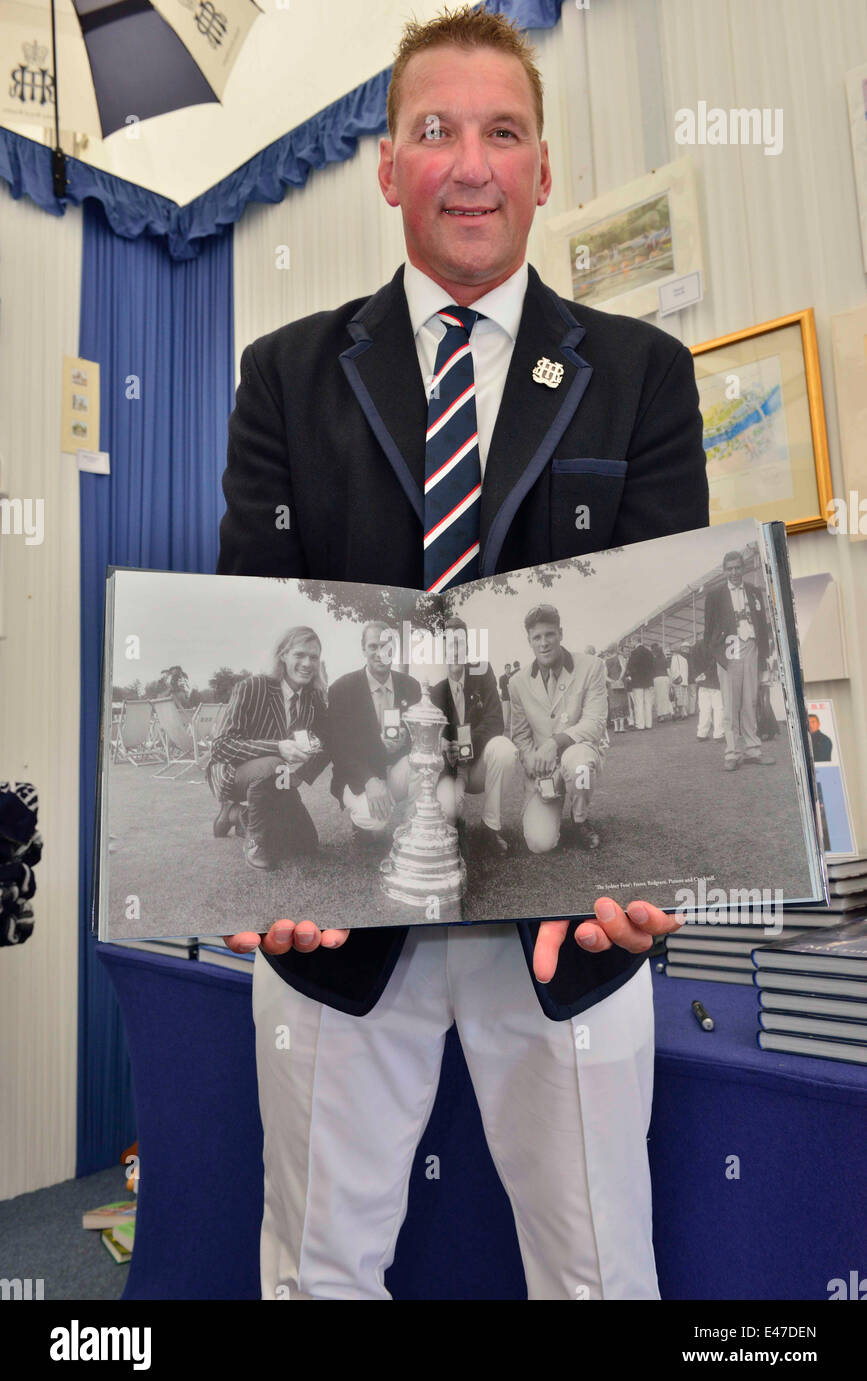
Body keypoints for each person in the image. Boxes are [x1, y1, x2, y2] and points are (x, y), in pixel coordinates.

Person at [217, 6, 707, 1301]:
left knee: (597, 1272)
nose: (470, 163)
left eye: (502, 131)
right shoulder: (282, 373)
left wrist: (650, 859)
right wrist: (254, 847)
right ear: (385, 166)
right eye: (433, 130)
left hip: (567, 908)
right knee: (317, 1271)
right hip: (342, 904)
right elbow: (255, 621)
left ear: (544, 168)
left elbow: (651, 619)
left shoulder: (643, 375)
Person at [206, 626, 330, 869]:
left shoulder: (312, 697)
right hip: (235, 773)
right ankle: (255, 841)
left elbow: (328, 741)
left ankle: (236, 815)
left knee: (305, 844)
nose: (307, 663)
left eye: (313, 657)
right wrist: (277, 747)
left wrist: (301, 775)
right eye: (300, 655)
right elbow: (220, 747)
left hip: (279, 777)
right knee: (273, 763)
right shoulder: (252, 687)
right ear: (283, 655)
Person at [509, 604, 608, 853]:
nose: (544, 643)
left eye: (549, 634)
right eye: (537, 637)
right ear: (529, 641)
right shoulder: (517, 682)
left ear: (560, 633)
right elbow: (520, 733)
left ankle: (580, 819)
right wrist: (531, 760)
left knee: (581, 765)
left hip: (576, 753)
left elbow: (594, 723)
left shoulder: (592, 666)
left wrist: (555, 742)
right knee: (539, 843)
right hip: (543, 771)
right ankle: (551, 811)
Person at [431, 617, 518, 854]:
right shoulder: (435, 690)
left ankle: (490, 828)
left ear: (467, 648)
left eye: (459, 643)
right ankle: (455, 823)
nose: (454, 650)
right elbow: (432, 733)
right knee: (448, 807)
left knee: (504, 749)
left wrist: (466, 744)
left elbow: (495, 721)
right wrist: (444, 744)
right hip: (453, 768)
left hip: (479, 762)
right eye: (448, 644)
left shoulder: (483, 672)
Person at [326, 621, 421, 836]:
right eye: (373, 646)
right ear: (363, 650)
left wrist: (407, 739)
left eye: (387, 646)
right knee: (375, 821)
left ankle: (411, 829)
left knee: (421, 763)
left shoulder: (411, 686)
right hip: (358, 775)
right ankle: (361, 821)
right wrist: (368, 780)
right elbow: (338, 748)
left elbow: (418, 738)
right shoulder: (342, 689)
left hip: (394, 769)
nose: (381, 653)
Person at [703, 550, 774, 771]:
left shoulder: (754, 591)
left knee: (750, 701)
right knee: (731, 703)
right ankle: (732, 752)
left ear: (743, 568)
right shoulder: (715, 595)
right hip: (729, 649)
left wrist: (764, 656)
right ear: (725, 571)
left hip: (751, 646)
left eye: (737, 567)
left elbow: (762, 624)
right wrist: (716, 653)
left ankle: (753, 750)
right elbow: (709, 630)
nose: (734, 572)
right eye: (730, 568)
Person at [692, 635, 724, 741]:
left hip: (702, 682)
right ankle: (718, 734)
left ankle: (701, 733)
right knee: (718, 708)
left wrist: (698, 676)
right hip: (715, 681)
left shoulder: (696, 645)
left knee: (704, 709)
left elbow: (692, 663)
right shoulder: (715, 644)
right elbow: (716, 662)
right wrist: (707, 674)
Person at [624, 637, 654, 730]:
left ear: (635, 641)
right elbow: (653, 666)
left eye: (631, 642)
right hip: (648, 681)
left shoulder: (634, 653)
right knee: (648, 703)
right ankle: (649, 724)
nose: (631, 644)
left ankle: (640, 725)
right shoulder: (649, 652)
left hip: (637, 682)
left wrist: (630, 675)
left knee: (639, 704)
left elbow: (630, 667)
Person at [604, 643, 628, 732]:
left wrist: (611, 681)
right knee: (621, 703)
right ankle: (621, 727)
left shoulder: (606, 660)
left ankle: (616, 727)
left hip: (611, 685)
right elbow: (624, 668)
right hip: (620, 683)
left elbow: (604, 675)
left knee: (613, 704)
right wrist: (619, 679)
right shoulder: (619, 657)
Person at [668, 643, 690, 719]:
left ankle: (683, 714)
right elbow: (687, 670)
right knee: (683, 697)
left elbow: (674, 670)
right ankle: (684, 713)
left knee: (678, 697)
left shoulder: (674, 658)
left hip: (678, 681)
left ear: (674, 652)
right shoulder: (684, 659)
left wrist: (672, 680)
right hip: (685, 680)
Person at [652, 643, 672, 721]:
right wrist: (671, 679)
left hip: (657, 679)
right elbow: (668, 670)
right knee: (666, 696)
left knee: (659, 698)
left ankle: (661, 716)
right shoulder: (665, 659)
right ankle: (672, 712)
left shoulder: (653, 660)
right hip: (665, 678)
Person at [498, 661, 512, 727]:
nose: (508, 669)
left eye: (509, 668)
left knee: (512, 716)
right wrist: (508, 684)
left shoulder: (512, 677)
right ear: (505, 669)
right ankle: (503, 730)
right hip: (505, 699)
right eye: (507, 668)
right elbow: (500, 686)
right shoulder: (502, 677)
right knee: (505, 716)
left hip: (512, 699)